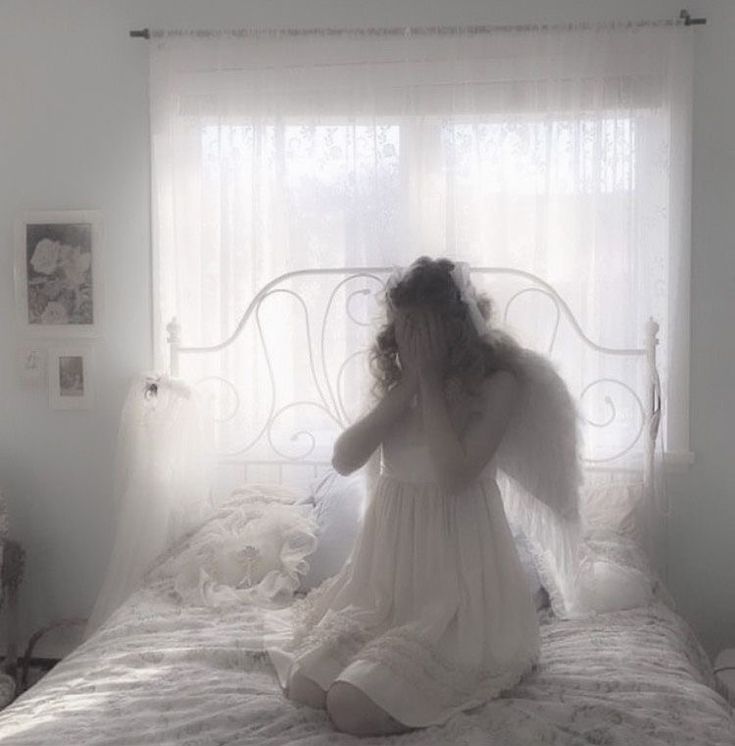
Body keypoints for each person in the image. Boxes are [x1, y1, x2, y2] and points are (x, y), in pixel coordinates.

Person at [266, 256, 543, 736]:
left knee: (350, 706)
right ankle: (376, 666)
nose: (408, 335)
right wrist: (410, 383)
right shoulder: (400, 387)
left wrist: (431, 382)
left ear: (452, 324)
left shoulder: (499, 385)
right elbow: (344, 458)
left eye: (421, 324)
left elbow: (455, 474)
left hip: (455, 591)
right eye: (402, 323)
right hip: (388, 581)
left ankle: (407, 677)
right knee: (306, 687)